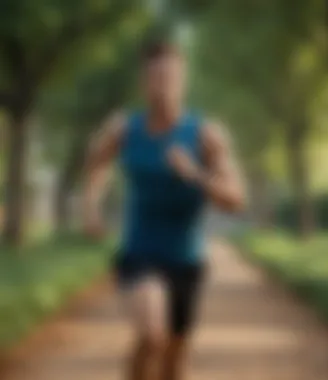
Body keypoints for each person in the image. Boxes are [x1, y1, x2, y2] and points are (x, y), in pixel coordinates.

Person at [83, 41, 247, 380]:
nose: (163, 84)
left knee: (174, 360)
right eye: (155, 76)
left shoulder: (205, 134)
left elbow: (235, 199)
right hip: (139, 252)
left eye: (170, 76)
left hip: (186, 259)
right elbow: (96, 165)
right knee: (151, 333)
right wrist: (91, 205)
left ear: (183, 80)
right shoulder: (124, 129)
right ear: (144, 82)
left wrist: (197, 175)